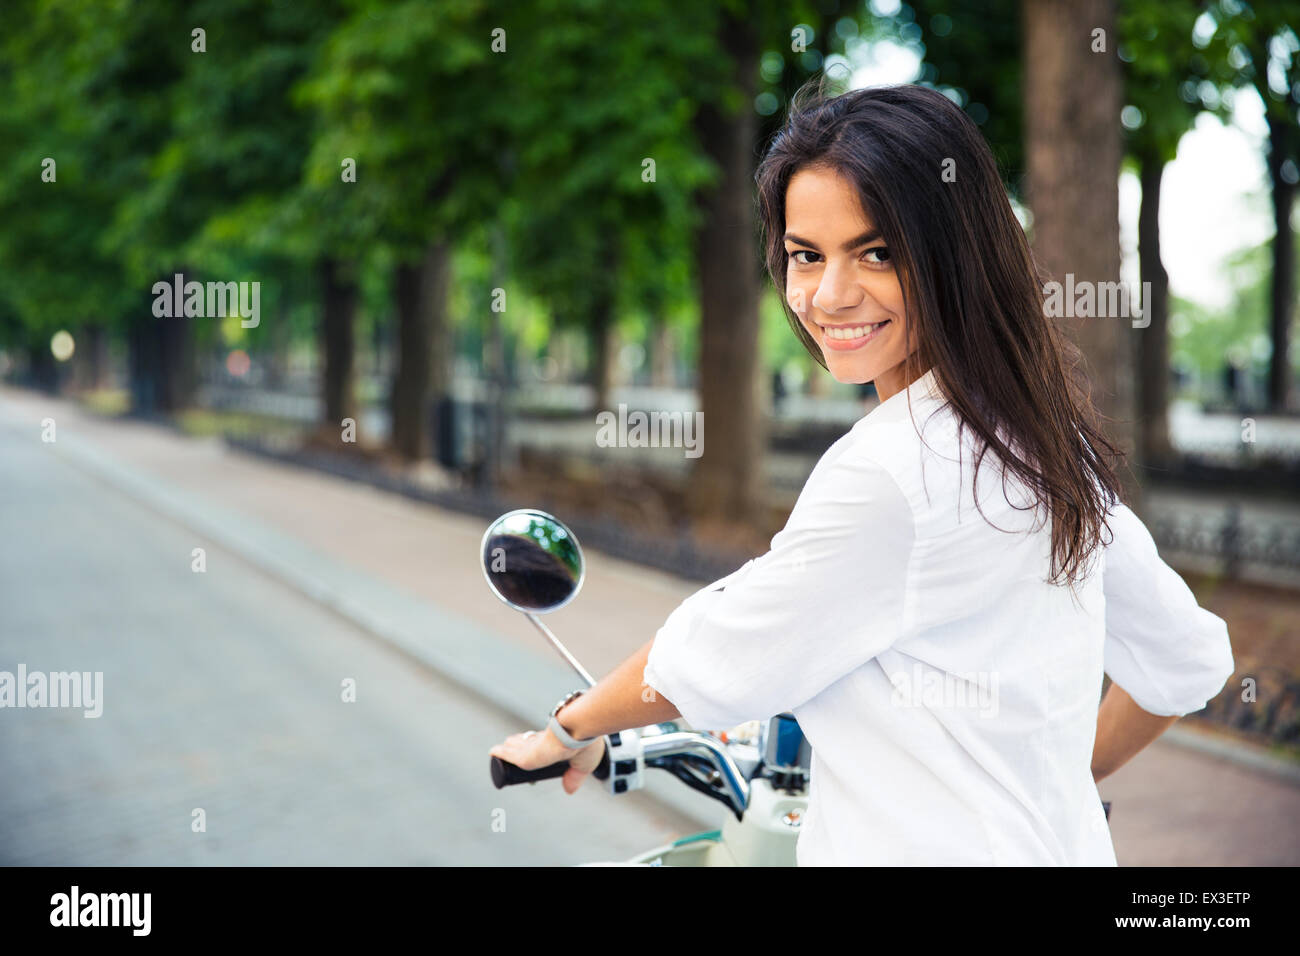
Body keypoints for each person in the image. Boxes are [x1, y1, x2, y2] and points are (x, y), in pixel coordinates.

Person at [489, 82, 1234, 865]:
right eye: (805, 256)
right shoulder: (1044, 442)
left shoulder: (893, 469)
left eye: (877, 253)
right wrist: (1053, 789)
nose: (829, 295)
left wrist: (569, 729)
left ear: (954, 256)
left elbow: (711, 658)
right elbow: (1187, 662)